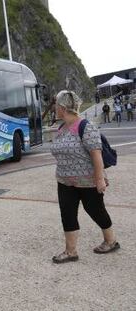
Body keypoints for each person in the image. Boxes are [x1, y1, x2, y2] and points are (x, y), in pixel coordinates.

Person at [50, 90, 119, 264]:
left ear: (63, 107)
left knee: (96, 211)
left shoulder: (85, 126)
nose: (54, 108)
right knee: (67, 214)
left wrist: (100, 179)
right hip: (65, 181)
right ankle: (70, 251)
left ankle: (111, 241)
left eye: (56, 105)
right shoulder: (61, 128)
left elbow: (96, 155)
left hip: (87, 181)